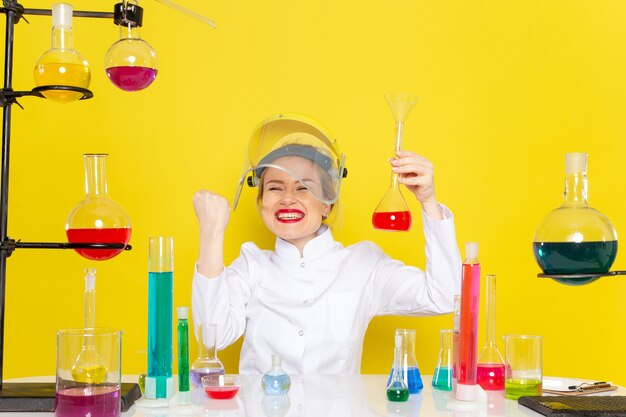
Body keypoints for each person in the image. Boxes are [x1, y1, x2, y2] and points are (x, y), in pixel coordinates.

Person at [191, 114, 461, 375]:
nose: (287, 198)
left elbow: (444, 296)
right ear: (262, 200)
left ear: (327, 203)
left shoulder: (363, 264)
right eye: (275, 187)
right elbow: (212, 337)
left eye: (303, 187)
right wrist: (211, 234)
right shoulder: (251, 266)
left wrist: (429, 201)